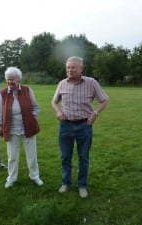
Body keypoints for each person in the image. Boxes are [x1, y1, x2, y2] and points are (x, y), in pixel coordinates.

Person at [51, 56, 108, 198]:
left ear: (81, 68)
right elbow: (54, 101)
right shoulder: (62, 83)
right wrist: (58, 111)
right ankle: (66, 183)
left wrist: (94, 113)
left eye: (73, 67)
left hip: (84, 125)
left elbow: (104, 100)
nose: (70, 70)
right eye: (68, 68)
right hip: (65, 126)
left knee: (83, 157)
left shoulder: (91, 83)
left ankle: (82, 185)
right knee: (65, 157)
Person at [0, 67, 43, 188]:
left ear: (19, 79)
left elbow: (36, 107)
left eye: (12, 79)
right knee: (12, 156)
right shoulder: (3, 93)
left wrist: (32, 118)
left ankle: (34, 176)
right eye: (8, 79)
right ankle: (11, 178)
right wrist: (0, 126)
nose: (10, 82)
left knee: (32, 154)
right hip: (11, 129)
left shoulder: (27, 90)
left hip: (28, 127)